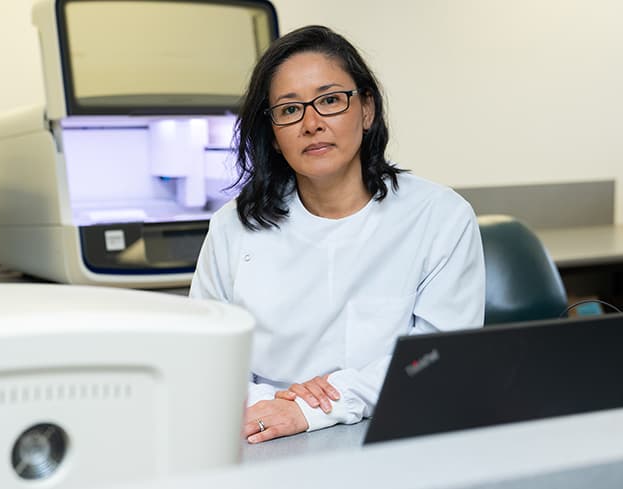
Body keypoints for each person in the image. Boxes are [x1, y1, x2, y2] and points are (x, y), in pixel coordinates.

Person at [189, 25, 486, 444]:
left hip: (389, 433)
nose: (311, 123)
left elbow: (435, 360)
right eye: (290, 110)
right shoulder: (232, 226)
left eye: (330, 100)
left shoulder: (439, 217)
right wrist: (272, 405)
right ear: (273, 134)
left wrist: (309, 408)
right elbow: (206, 356)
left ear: (366, 110)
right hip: (263, 435)